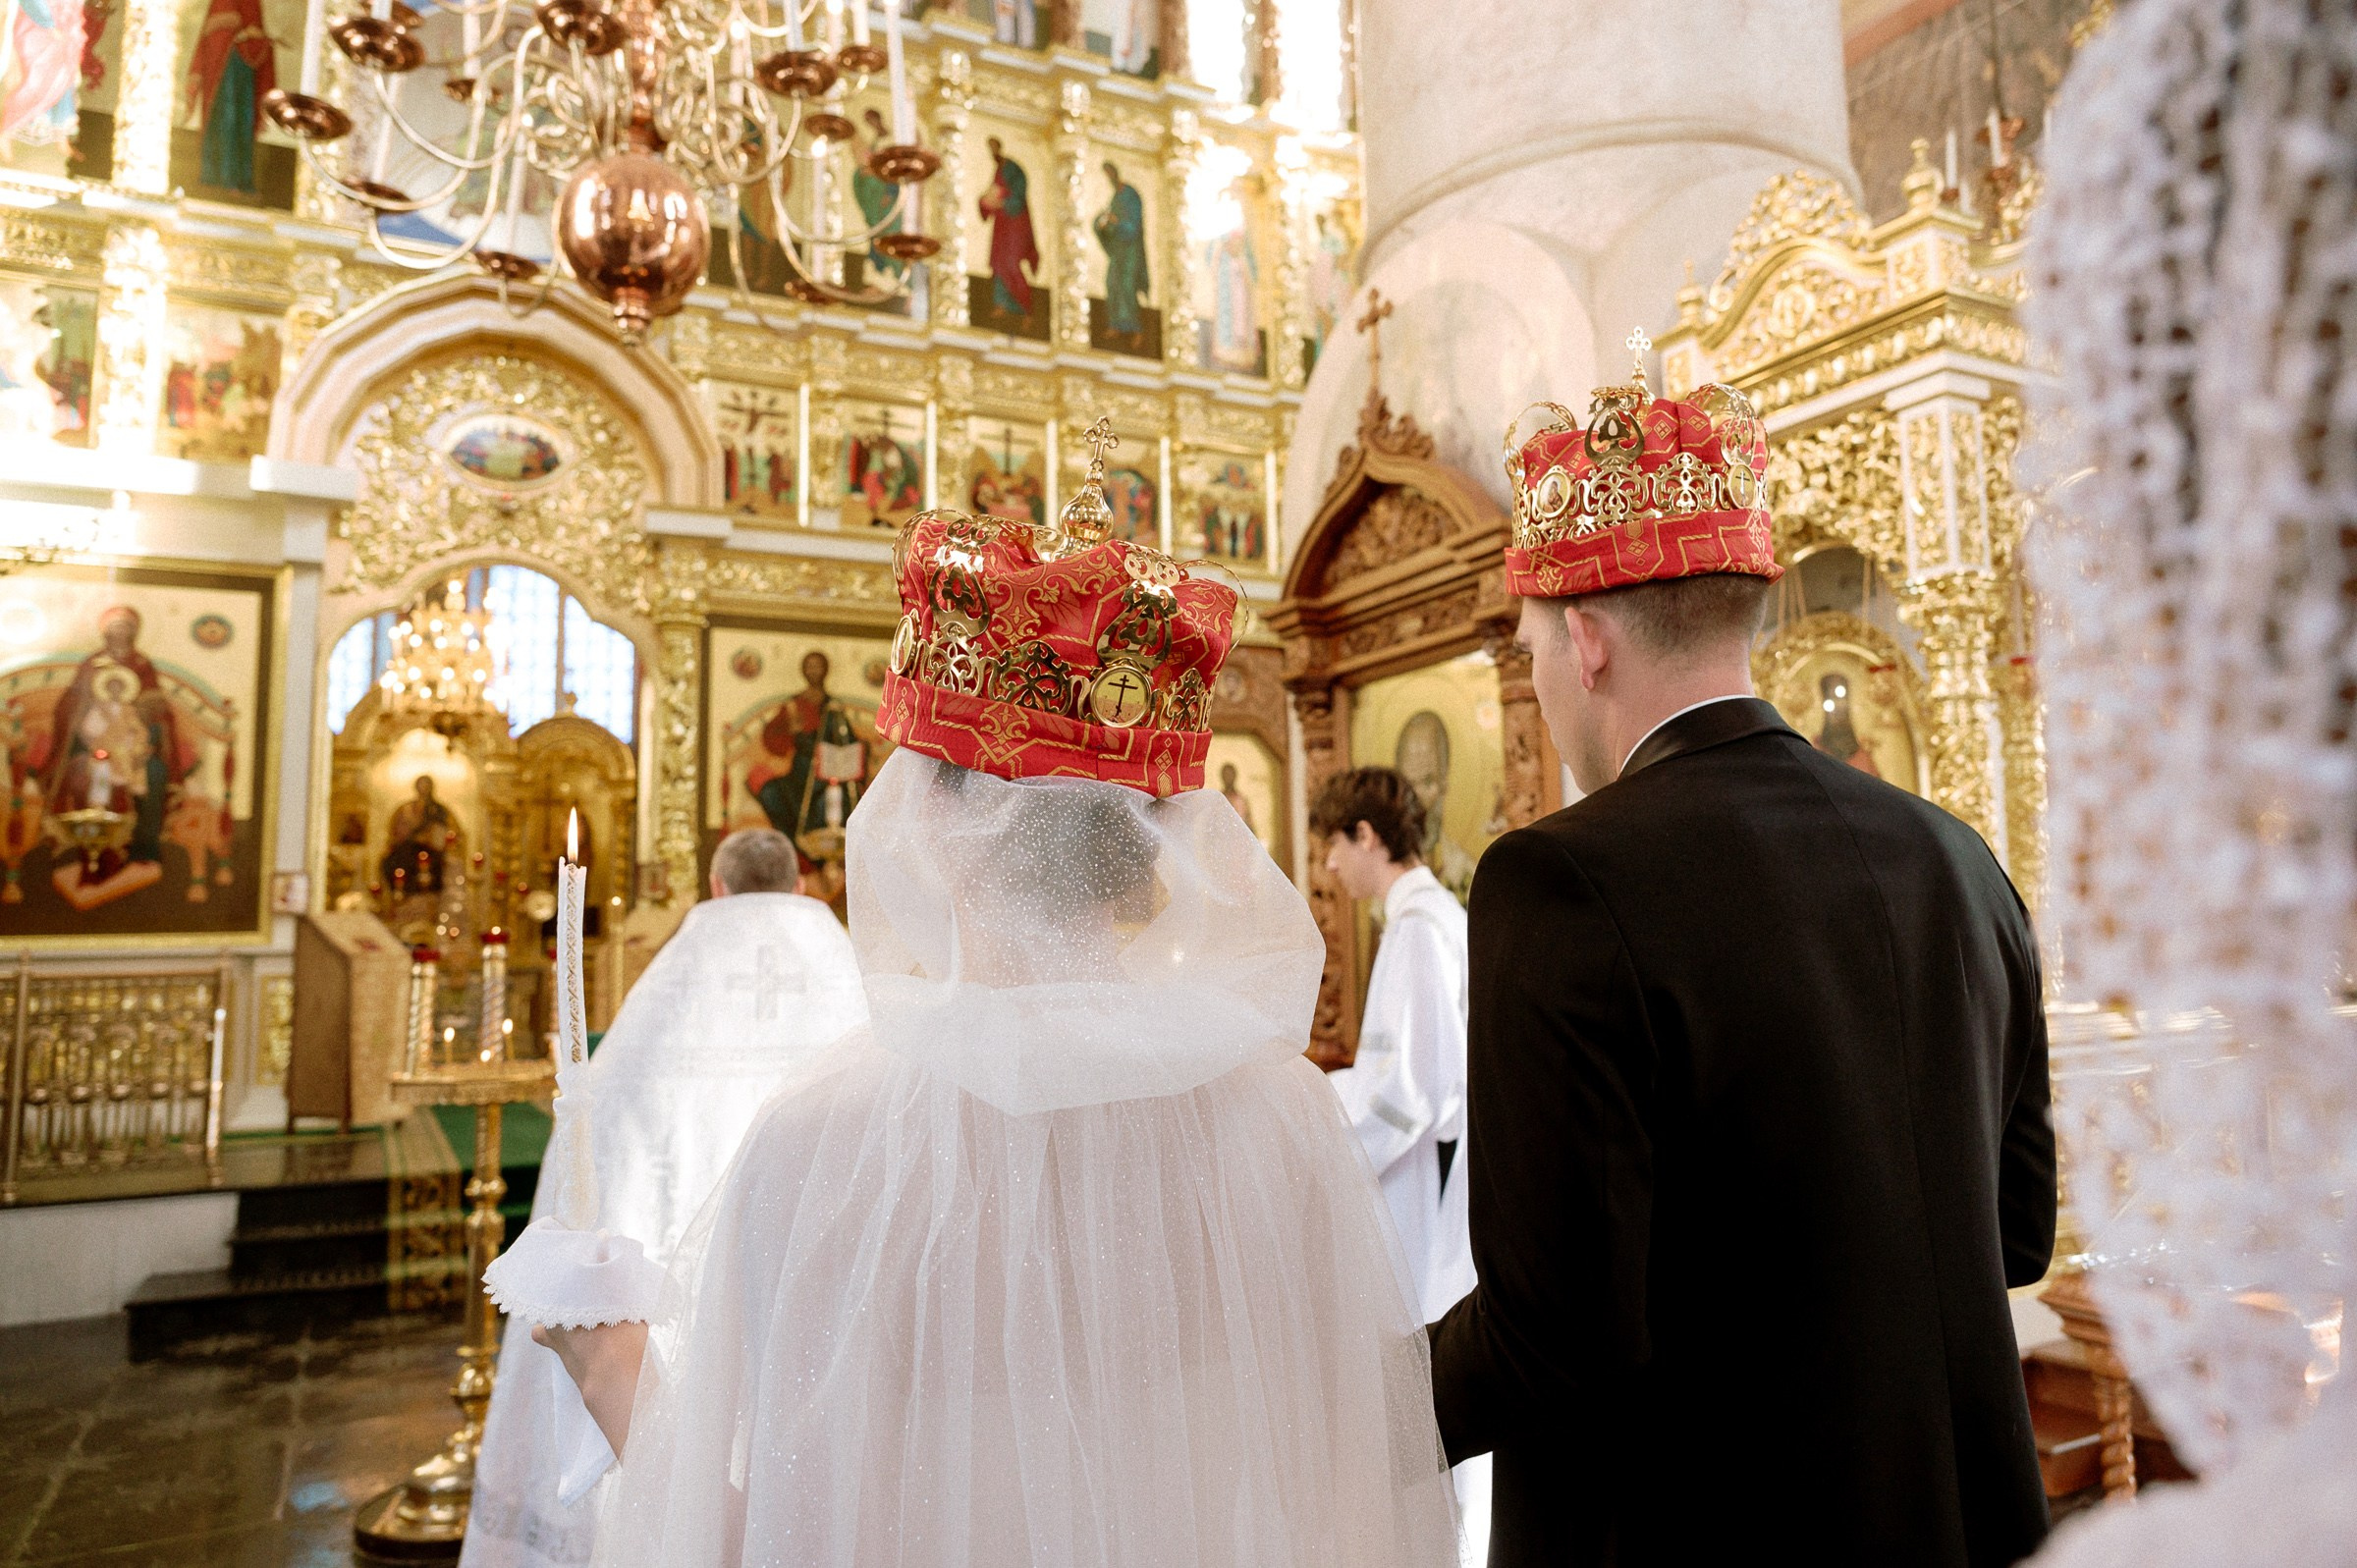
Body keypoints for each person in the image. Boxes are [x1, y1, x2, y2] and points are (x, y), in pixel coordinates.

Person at [532, 497, 1457, 1567]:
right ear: (1152, 838)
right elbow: (1346, 1496)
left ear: (931, 815)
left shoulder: (822, 1140)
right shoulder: (1285, 1111)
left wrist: (607, 1368)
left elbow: (785, 1535)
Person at [1428, 367, 2054, 1566]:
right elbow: (2013, 1232)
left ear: (1591, 641)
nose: (1542, 679)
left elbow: (1555, 1334)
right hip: (1963, 1519)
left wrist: (1362, 1404)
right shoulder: (1959, 857)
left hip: (1706, 1525)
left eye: (1532, 648)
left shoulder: (1558, 880)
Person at [462, 829, 866, 1568]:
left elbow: (603, 1119)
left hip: (669, 1304)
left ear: (716, 888)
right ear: (801, 887)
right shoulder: (846, 970)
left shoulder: (681, 982)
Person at [1311, 765, 1486, 1568]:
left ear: (1367, 836)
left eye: (1331, 847)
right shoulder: (1429, 916)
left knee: (1413, 1355)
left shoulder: (1418, 928)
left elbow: (1410, 1090)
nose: (1327, 869)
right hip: (1433, 1165)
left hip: (1424, 1179)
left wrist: (1316, 1124)